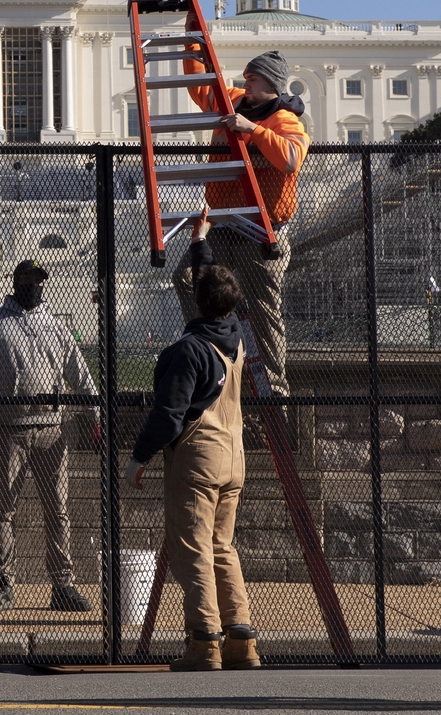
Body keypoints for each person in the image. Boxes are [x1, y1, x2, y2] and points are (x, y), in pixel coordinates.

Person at [125, 218, 260, 671]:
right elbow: (215, 283)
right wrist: (200, 242)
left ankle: (205, 642)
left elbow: (168, 414)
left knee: (195, 549)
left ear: (199, 302)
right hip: (235, 456)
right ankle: (242, 638)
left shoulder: (189, 350)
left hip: (199, 457)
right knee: (224, 546)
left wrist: (139, 456)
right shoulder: (235, 336)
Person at [0, 259, 98, 614]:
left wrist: (96, 414)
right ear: (17, 282)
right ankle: (4, 583)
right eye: (29, 280)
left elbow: (79, 375)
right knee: (3, 509)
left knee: (58, 509)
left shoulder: (55, 325)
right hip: (7, 431)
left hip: (51, 430)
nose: (36, 286)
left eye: (40, 281)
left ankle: (62, 586)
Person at [177, 48, 307, 395]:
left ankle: (274, 386)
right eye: (246, 77)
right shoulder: (234, 100)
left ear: (272, 84)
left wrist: (252, 130)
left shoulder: (286, 120)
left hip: (262, 232)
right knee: (188, 277)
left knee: (265, 308)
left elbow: (291, 159)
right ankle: (210, 354)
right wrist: (193, 47)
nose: (245, 83)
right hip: (224, 224)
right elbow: (201, 88)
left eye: (253, 78)